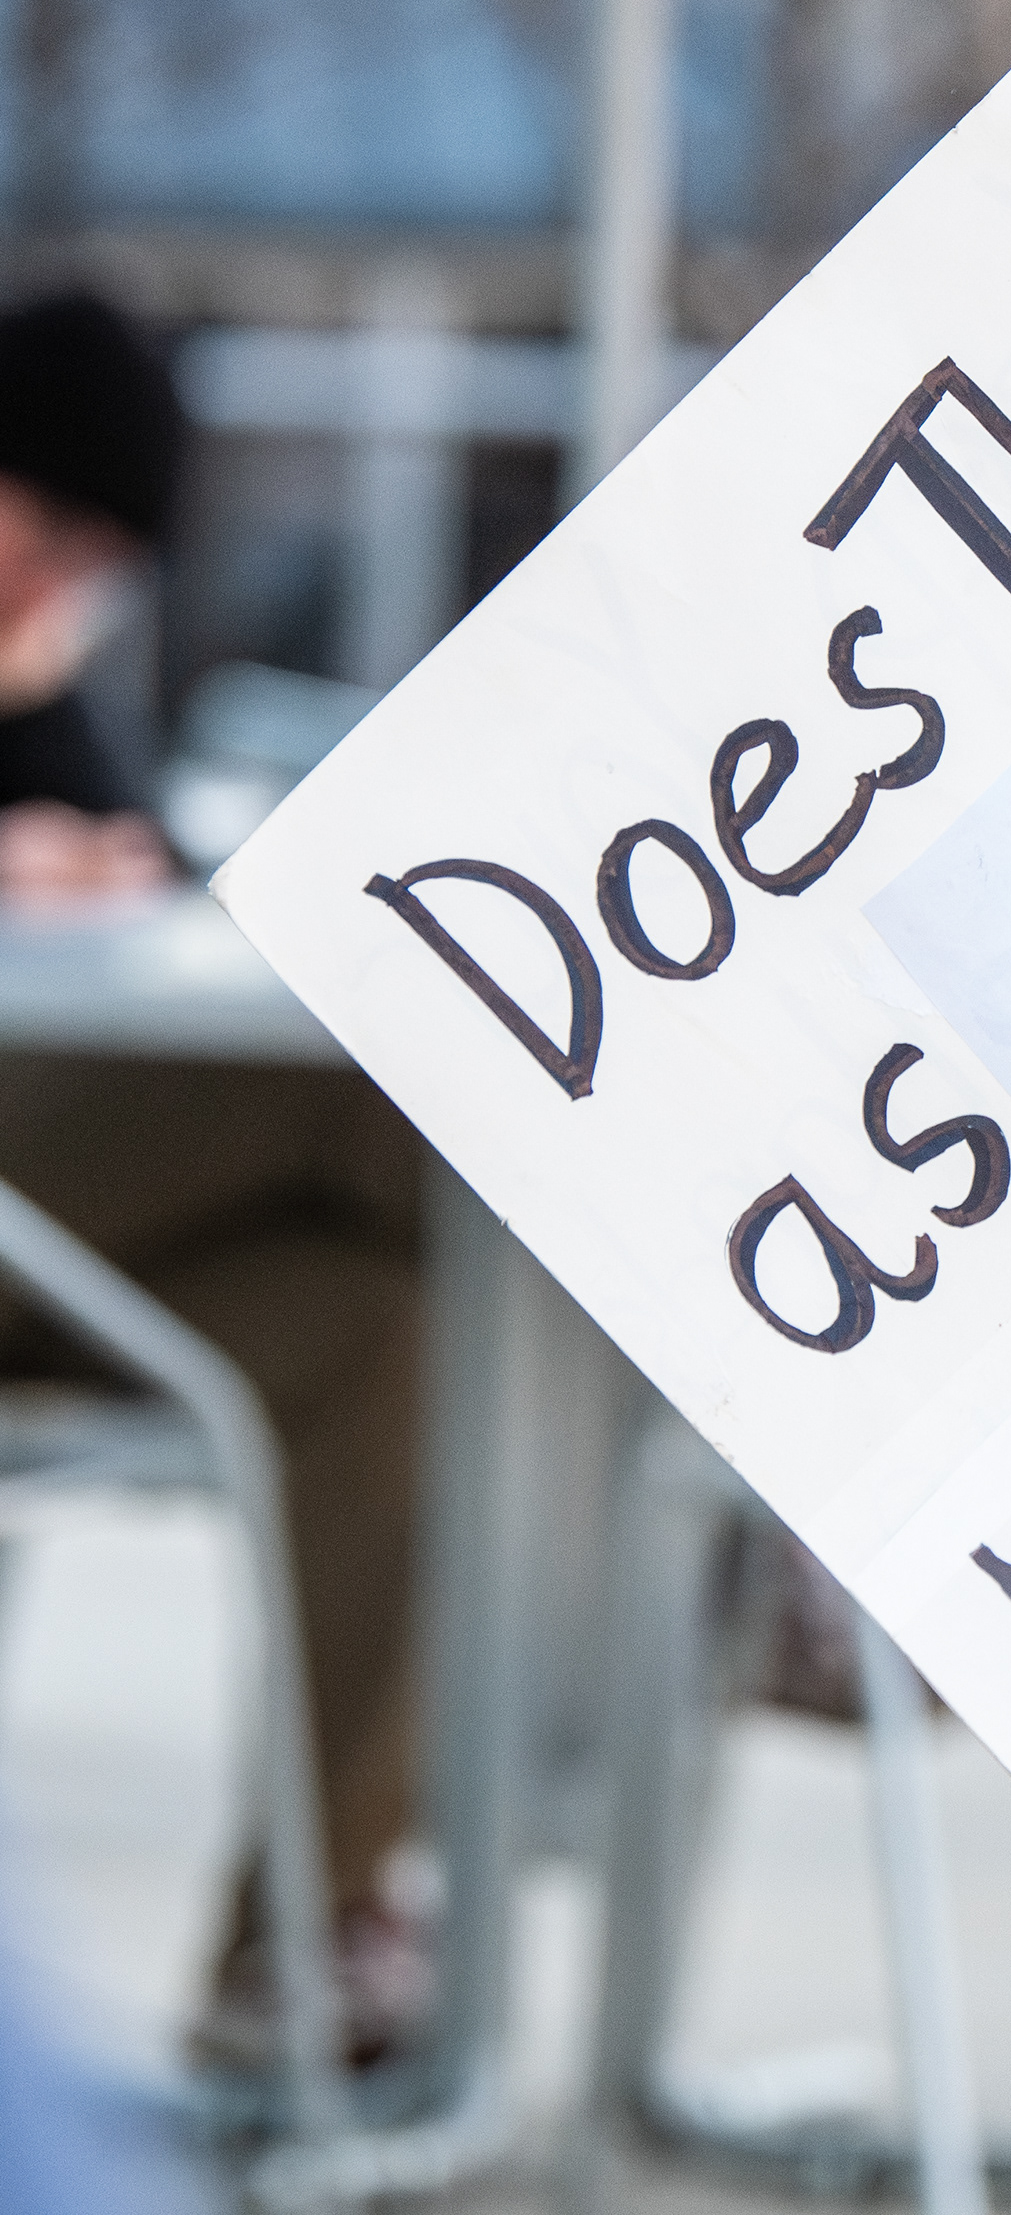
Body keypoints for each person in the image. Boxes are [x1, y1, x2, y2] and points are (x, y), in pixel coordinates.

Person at [0, 289, 434, 2071]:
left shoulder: (49, 697)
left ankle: (301, 1946)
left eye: (92, 558)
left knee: (392, 1330)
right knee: (410, 1102)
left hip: (61, 1246)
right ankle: (766, 1495)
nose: (53, 582)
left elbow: (148, 869)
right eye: (38, 528)